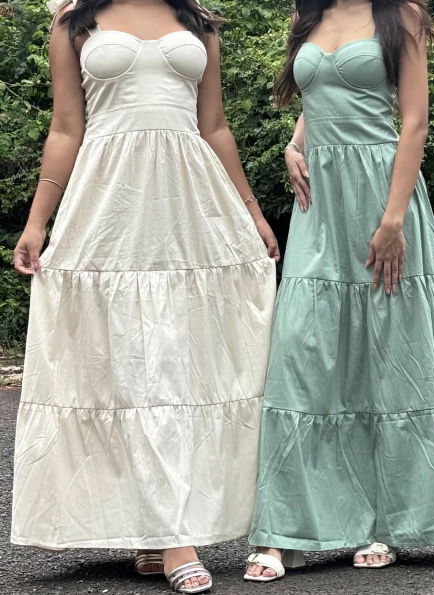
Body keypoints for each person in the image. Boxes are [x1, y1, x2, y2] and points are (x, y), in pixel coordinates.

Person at [10, 1, 279, 592]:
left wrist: (253, 212)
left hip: (191, 204)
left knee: (181, 362)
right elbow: (66, 128)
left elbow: (214, 126)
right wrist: (37, 222)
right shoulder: (73, 21)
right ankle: (170, 534)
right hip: (109, 202)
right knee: (128, 363)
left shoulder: (198, 20)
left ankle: (160, 532)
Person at [245, 0, 434, 582]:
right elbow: (317, 94)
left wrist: (394, 220)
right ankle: (286, 530)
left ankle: (391, 522)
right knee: (302, 355)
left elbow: (414, 121)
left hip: (382, 194)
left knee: (391, 360)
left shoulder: (402, 15)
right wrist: (295, 143)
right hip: (320, 206)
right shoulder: (308, 14)